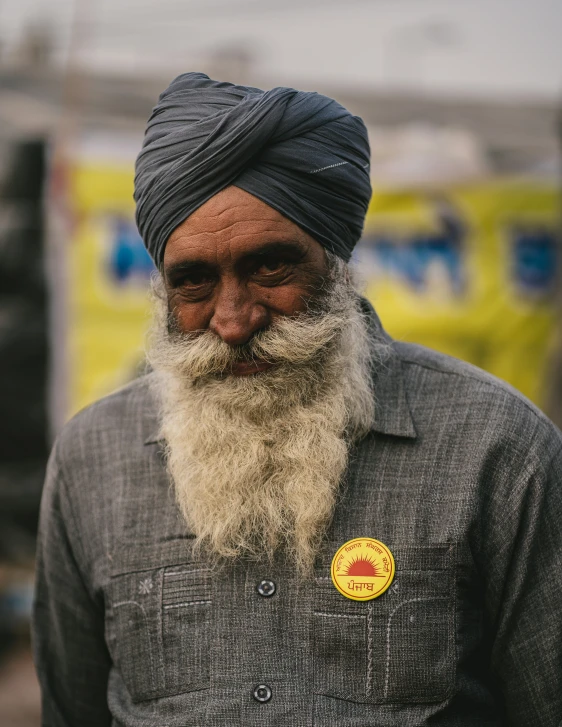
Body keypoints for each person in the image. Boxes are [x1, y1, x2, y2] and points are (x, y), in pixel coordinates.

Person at [33, 73, 562, 727]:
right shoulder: (92, 459)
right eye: (194, 281)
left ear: (336, 263)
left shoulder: (500, 448)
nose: (232, 318)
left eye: (270, 267)